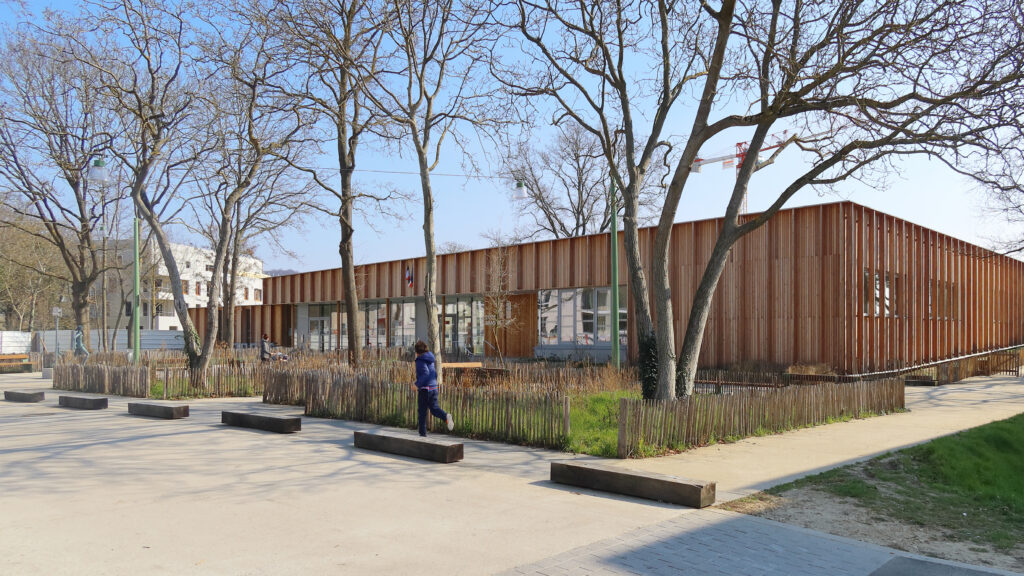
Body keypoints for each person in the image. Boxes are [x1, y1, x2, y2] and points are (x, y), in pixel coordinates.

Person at [410, 340, 454, 437]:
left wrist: (417, 385)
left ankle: (422, 434)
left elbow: (425, 374)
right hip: (433, 388)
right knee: (434, 409)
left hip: (425, 389)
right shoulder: (430, 359)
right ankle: (445, 416)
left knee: (422, 412)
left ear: (417, 352)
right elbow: (434, 373)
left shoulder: (420, 360)